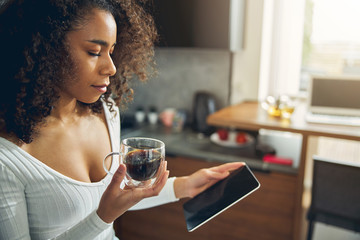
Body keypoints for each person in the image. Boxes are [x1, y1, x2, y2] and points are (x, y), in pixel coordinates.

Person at [0, 0, 244, 239]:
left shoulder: (106, 112)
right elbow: (106, 212)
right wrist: (102, 218)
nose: (111, 67)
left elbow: (122, 197)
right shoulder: (7, 157)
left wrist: (185, 185)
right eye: (94, 52)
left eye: (112, 51)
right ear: (45, 48)